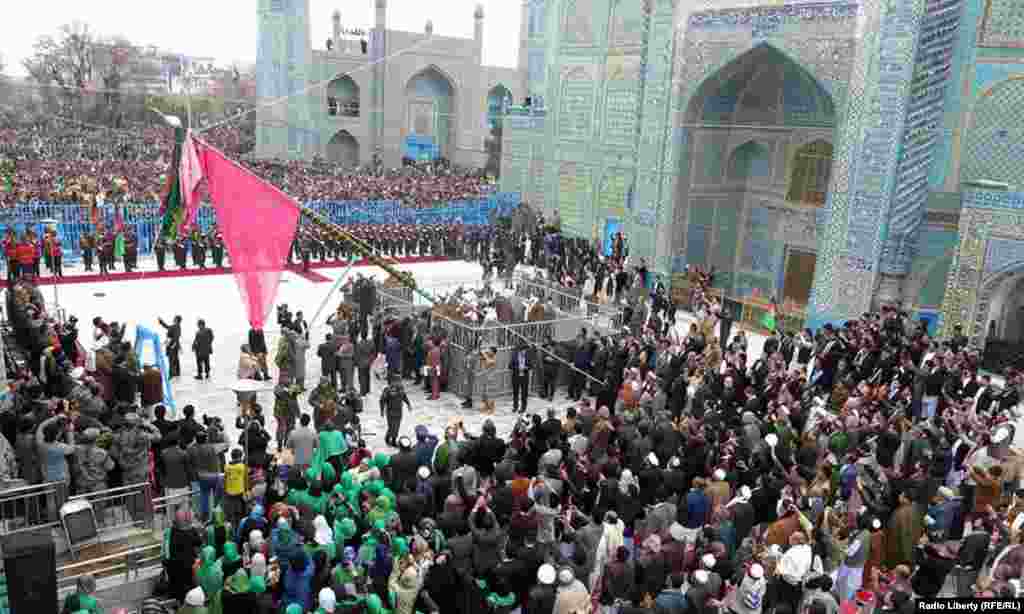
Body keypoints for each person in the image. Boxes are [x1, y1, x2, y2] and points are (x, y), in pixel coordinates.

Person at [380, 376, 412, 447]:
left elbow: (404, 396)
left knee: (397, 426)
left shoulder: (401, 389)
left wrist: (408, 404)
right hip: (390, 411)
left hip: (398, 411)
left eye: (399, 381)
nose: (398, 383)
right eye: (396, 381)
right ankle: (388, 437)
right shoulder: (387, 390)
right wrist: (382, 410)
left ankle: (394, 440)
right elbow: (382, 400)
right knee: (391, 426)